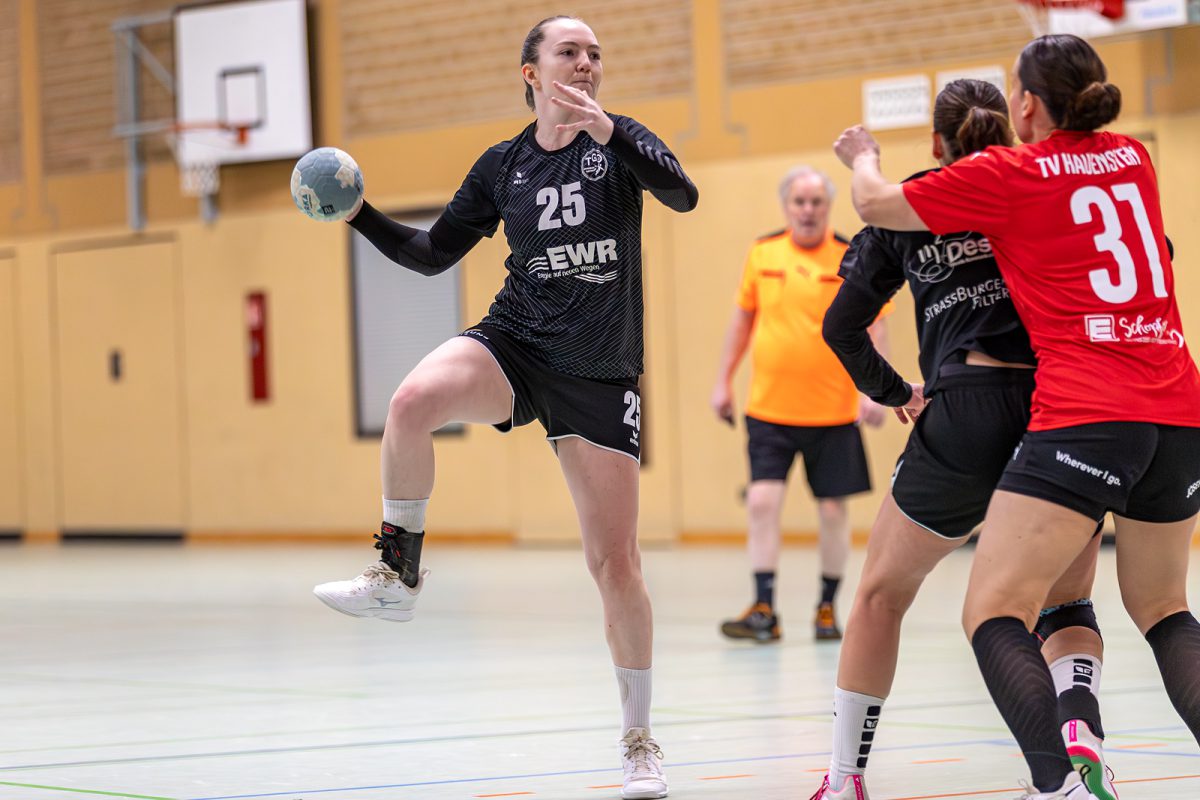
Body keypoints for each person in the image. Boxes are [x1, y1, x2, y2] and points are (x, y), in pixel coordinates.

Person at [311, 16, 697, 800]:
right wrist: (356, 214)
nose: (585, 63)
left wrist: (612, 131)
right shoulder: (503, 165)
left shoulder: (619, 144)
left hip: (598, 373)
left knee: (615, 563)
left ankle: (639, 742)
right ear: (531, 72)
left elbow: (682, 195)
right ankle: (397, 572)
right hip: (515, 343)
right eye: (569, 52)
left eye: (595, 54)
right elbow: (431, 255)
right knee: (412, 400)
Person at [835, 34, 1200, 800]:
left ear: (1029, 104)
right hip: (1176, 404)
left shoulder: (1012, 174)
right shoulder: (1134, 157)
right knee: (1162, 608)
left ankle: (1051, 783)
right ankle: (1079, 724)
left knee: (988, 609)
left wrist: (862, 154)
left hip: (1079, 410)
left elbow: (871, 211)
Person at [811, 79, 1113, 800]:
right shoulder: (1043, 185)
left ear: (937, 143)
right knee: (1064, 603)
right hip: (1058, 407)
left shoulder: (911, 204)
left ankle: (845, 779)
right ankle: (1080, 737)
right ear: (1009, 127)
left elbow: (841, 327)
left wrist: (897, 394)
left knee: (881, 595)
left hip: (965, 410)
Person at [711, 166, 890, 642]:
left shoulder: (851, 256)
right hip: (769, 410)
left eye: (816, 202)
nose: (807, 210)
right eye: (799, 202)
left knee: (832, 512)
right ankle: (763, 608)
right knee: (762, 503)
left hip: (833, 414)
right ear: (787, 205)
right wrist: (723, 381)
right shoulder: (763, 252)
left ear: (828, 206)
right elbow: (742, 321)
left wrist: (874, 389)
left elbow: (875, 326)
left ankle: (826, 609)